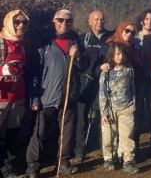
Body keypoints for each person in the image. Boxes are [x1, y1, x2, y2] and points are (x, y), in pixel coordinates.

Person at [26, 10, 90, 178]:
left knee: (67, 132)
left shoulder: (77, 42)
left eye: (68, 20)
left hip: (69, 96)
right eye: (60, 20)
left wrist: (77, 57)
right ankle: (33, 167)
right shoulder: (44, 42)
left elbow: (84, 66)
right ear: (54, 21)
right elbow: (34, 71)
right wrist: (34, 97)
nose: (64, 23)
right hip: (46, 96)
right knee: (39, 133)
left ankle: (63, 163)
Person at [96, 22, 142, 159]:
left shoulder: (131, 50)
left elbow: (134, 80)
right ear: (120, 30)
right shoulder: (108, 46)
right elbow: (96, 70)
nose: (129, 34)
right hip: (110, 102)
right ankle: (110, 157)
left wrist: (134, 100)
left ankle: (127, 157)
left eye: (133, 33)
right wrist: (101, 67)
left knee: (127, 131)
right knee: (110, 133)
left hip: (127, 100)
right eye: (127, 31)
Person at [75, 10, 113, 162]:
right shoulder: (82, 38)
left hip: (106, 82)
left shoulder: (111, 37)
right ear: (89, 21)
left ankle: (105, 148)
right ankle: (79, 152)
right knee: (81, 118)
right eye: (96, 19)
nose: (100, 22)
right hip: (85, 82)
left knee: (104, 117)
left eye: (102, 19)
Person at [99, 42, 139, 174]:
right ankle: (109, 158)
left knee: (127, 135)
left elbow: (132, 86)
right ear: (111, 55)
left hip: (126, 108)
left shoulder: (129, 69)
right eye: (117, 54)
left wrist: (133, 102)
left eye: (122, 54)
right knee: (109, 136)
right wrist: (104, 112)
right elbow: (102, 92)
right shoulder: (106, 71)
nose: (120, 57)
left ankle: (129, 161)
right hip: (110, 110)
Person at [0, 10, 30, 178]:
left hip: (18, 96)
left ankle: (8, 170)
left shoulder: (25, 44)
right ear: (9, 22)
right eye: (17, 22)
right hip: (1, 96)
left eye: (24, 22)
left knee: (12, 134)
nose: (21, 25)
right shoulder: (1, 41)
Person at [132, 9, 151, 158]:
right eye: (147, 19)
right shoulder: (135, 39)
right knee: (136, 114)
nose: (150, 21)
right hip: (137, 82)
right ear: (142, 21)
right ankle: (135, 148)